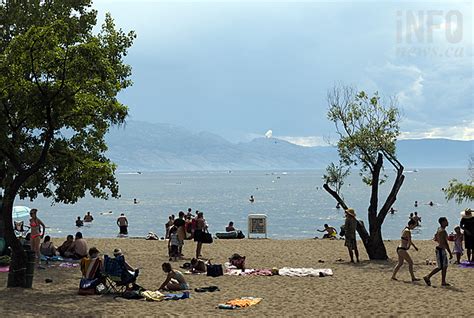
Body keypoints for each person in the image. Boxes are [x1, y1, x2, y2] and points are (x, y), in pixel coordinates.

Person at [423, 217, 453, 287]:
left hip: (441, 249)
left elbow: (435, 237)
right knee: (440, 267)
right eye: (446, 221)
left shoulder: (439, 229)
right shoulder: (443, 231)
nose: (447, 222)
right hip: (440, 250)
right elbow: (446, 243)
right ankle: (428, 276)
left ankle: (443, 281)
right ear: (443, 222)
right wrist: (450, 253)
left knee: (445, 266)